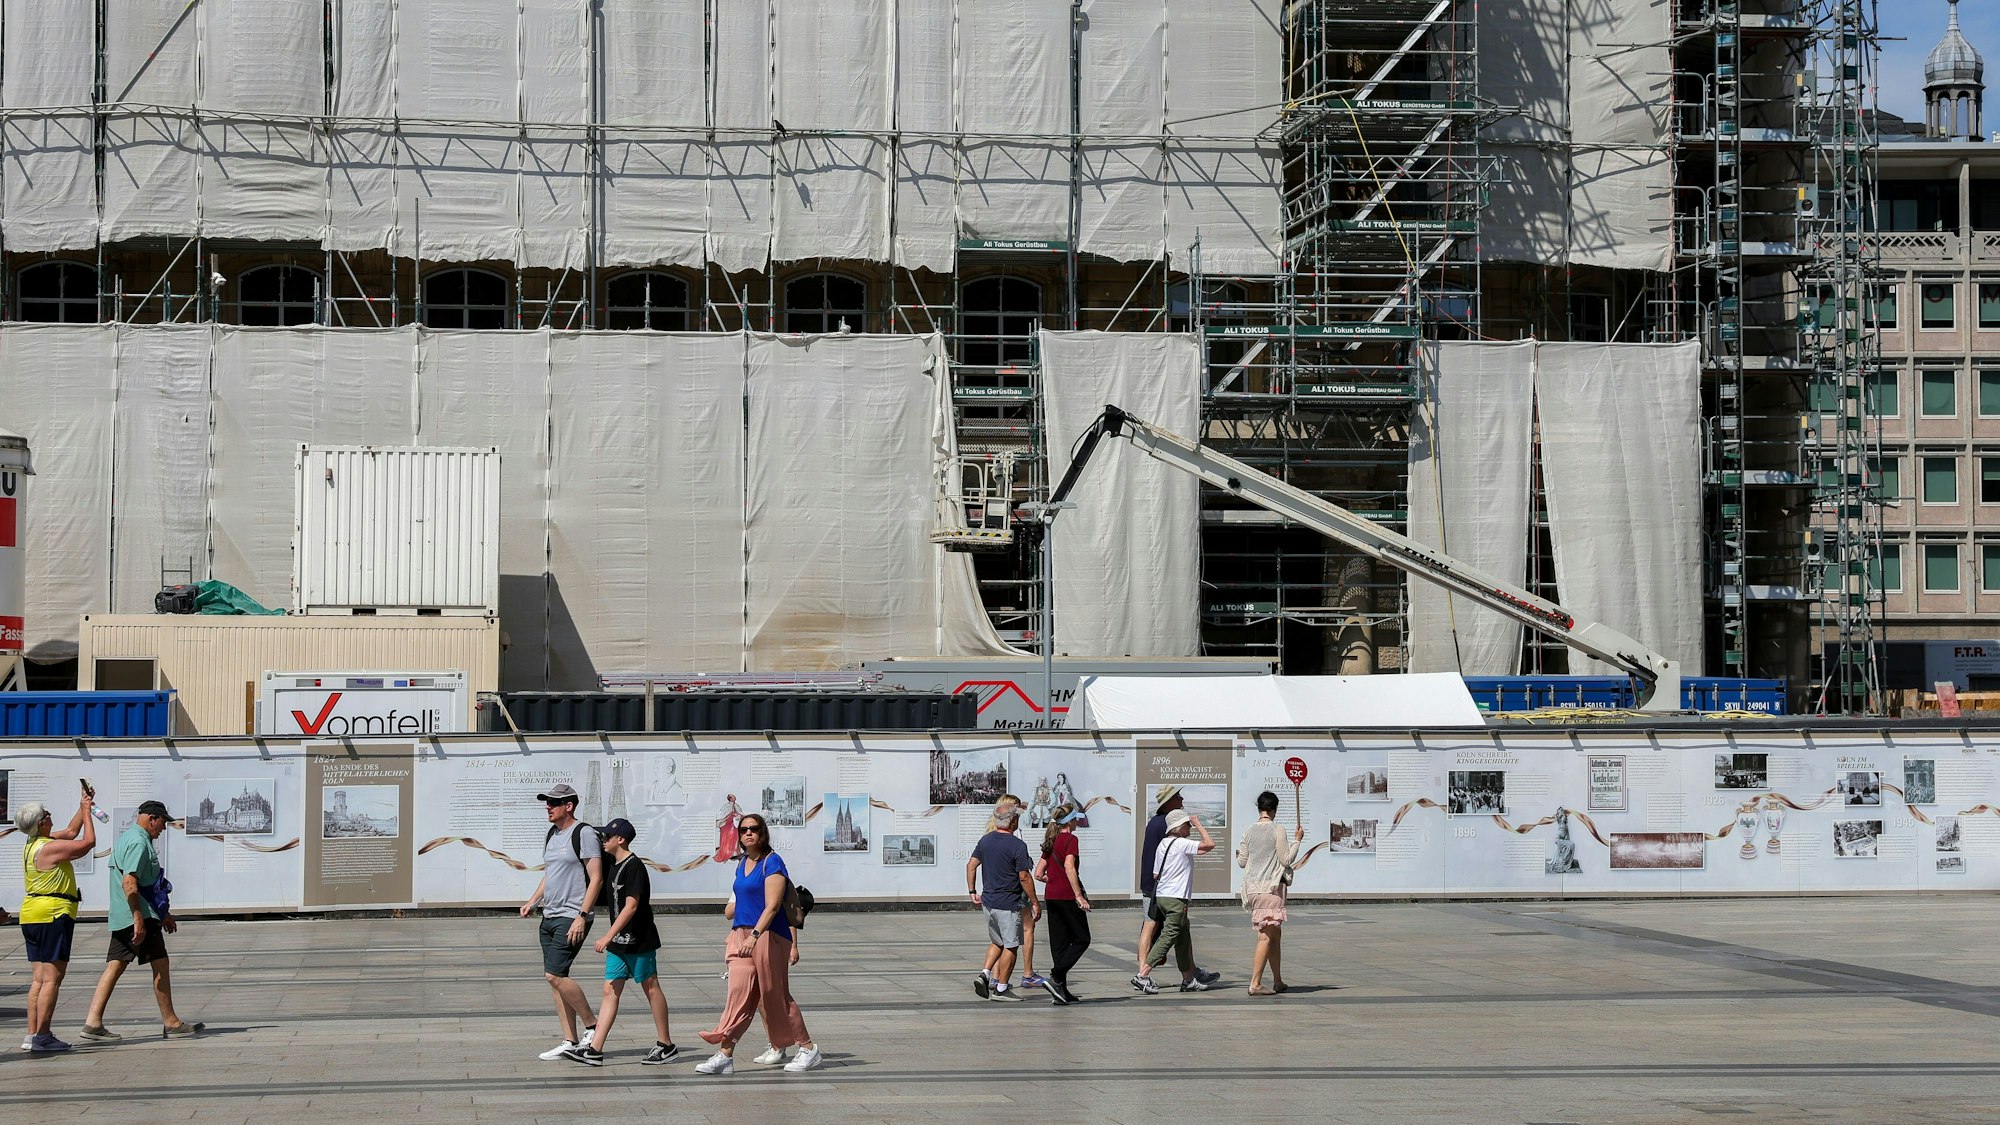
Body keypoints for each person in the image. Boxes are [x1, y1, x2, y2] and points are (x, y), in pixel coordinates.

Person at [695, 813, 822, 1075]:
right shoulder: (742, 863)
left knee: (775, 994)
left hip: (767, 935)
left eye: (753, 829)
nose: (748, 833)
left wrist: (754, 936)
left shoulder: (772, 862)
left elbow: (773, 906)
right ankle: (725, 1054)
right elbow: (735, 905)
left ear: (762, 832)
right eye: (743, 830)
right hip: (740, 934)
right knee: (738, 995)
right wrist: (742, 933)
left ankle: (808, 1048)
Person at [80, 800, 202, 1039]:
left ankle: (92, 1022)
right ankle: (172, 1023)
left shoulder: (128, 838)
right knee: (160, 962)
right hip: (138, 916)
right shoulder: (138, 842)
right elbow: (130, 882)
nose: (164, 828)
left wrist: (163, 914)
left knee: (116, 964)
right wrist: (138, 918)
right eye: (163, 822)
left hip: (124, 914)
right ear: (151, 819)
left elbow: (146, 885)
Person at [570, 818, 677, 1067]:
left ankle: (666, 1045)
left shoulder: (634, 866)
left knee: (651, 988)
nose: (603, 840)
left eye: (607, 837)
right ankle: (595, 1049)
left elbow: (631, 906)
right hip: (618, 943)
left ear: (621, 839)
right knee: (610, 991)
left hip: (639, 940)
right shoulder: (612, 864)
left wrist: (607, 936)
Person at [520, 783, 603, 1062]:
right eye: (547, 802)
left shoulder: (584, 833)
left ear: (569, 806)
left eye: (554, 803)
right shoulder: (552, 834)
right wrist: (533, 901)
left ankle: (593, 1025)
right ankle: (570, 1040)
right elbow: (551, 873)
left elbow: (596, 878)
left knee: (554, 975)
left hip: (572, 915)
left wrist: (582, 916)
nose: (548, 807)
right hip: (550, 915)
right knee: (556, 979)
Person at [16, 793, 95, 1052]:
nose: (50, 815)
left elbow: (71, 832)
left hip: (32, 914)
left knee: (39, 979)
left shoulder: (33, 843)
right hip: (53, 914)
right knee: (52, 978)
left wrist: (83, 805)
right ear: (41, 823)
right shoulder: (49, 848)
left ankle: (32, 1034)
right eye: (46, 814)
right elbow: (87, 843)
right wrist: (88, 813)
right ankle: (43, 1035)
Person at [1133, 786, 1217, 994]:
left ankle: (1189, 977)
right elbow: (1209, 844)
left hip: (1159, 891)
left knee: (1182, 936)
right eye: (1187, 824)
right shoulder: (1177, 840)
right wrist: (1199, 825)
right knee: (1165, 934)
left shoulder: (1160, 834)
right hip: (1173, 897)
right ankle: (1143, 974)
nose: (1182, 799)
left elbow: (1156, 872)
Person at [966, 797, 1038, 1002]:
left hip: (989, 902)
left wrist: (972, 891)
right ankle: (1002, 989)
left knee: (996, 942)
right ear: (1013, 821)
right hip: (1009, 903)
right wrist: (1035, 901)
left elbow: (971, 865)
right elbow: (1024, 877)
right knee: (1011, 946)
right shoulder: (1017, 845)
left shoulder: (985, 841)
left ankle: (985, 974)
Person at [1235, 790, 1302, 996]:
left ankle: (1278, 980)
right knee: (1265, 937)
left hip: (1253, 890)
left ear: (1259, 808)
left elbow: (1242, 862)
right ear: (1274, 809)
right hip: (1270, 890)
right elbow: (1286, 859)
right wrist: (1297, 841)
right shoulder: (1277, 829)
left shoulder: (1248, 831)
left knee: (1275, 935)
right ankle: (1255, 984)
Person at [1036, 804, 1090, 1005]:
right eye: (1076, 819)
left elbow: (1038, 874)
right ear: (1070, 822)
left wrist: (1053, 881)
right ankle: (1056, 976)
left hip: (1051, 897)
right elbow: (1069, 866)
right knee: (1082, 939)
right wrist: (1079, 896)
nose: (1077, 822)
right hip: (1067, 897)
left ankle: (1061, 992)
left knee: (1059, 944)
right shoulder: (1070, 839)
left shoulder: (1051, 840)